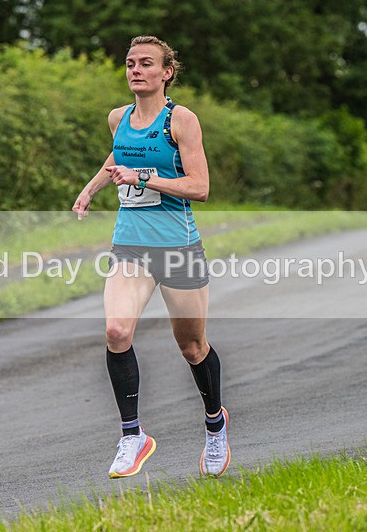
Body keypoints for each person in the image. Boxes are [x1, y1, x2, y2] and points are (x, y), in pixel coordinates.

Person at [71, 35, 230, 479]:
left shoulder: (181, 121)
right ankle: (132, 435)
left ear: (166, 73)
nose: (135, 70)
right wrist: (90, 189)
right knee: (117, 330)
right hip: (131, 247)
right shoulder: (117, 118)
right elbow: (118, 156)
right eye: (129, 63)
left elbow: (200, 187)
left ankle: (215, 425)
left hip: (178, 248)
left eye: (146, 63)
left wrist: (146, 177)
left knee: (192, 347)